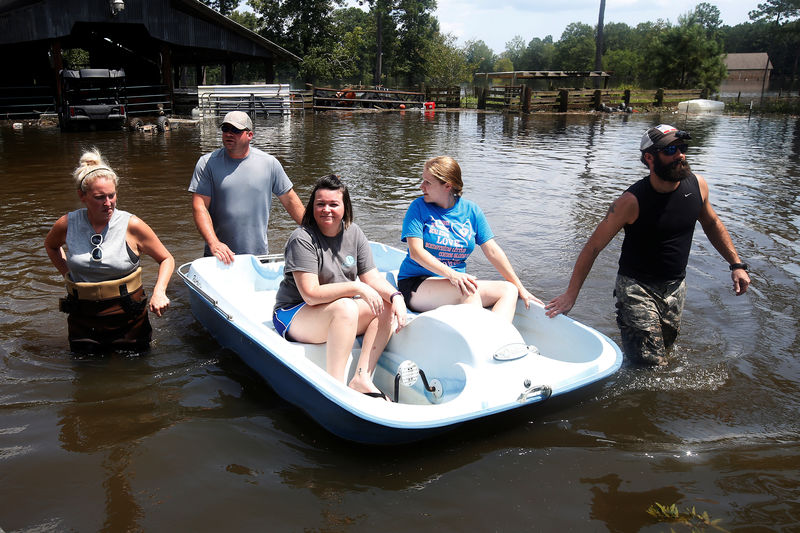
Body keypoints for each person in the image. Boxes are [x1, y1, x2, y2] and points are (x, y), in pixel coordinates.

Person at [545, 124, 751, 366]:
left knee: (664, 350)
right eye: (671, 150)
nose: (680, 155)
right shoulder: (630, 202)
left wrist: (736, 264)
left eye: (682, 148)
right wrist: (571, 294)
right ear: (650, 158)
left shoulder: (697, 186)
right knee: (651, 365)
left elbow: (712, 223)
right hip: (636, 288)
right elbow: (593, 246)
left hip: (676, 287)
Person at [272, 175, 407, 399]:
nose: (326, 209)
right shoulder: (302, 238)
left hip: (334, 309)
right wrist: (357, 288)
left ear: (345, 207)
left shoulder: (354, 233)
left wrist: (396, 297)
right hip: (294, 313)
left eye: (333, 204)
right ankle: (334, 387)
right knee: (347, 307)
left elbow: (372, 278)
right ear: (311, 207)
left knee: (384, 305)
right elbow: (311, 295)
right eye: (320, 204)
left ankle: (361, 377)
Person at [44, 149, 174, 352]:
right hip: (82, 316)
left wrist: (159, 292)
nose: (108, 203)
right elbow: (51, 246)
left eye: (112, 195)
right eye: (99, 197)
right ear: (82, 196)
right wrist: (68, 273)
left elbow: (166, 258)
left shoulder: (132, 225)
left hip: (128, 315)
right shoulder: (67, 224)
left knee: (137, 374)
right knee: (85, 375)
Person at [397, 156, 540, 322]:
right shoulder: (418, 207)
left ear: (448, 186)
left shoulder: (471, 211)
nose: (422, 187)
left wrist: (520, 286)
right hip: (417, 284)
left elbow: (492, 250)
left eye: (428, 182)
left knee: (508, 290)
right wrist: (452, 275)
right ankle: (485, 343)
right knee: (468, 293)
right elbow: (416, 253)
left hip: (456, 284)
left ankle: (496, 340)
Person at [189, 110, 305, 264]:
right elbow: (200, 207)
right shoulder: (206, 163)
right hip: (218, 257)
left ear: (250, 135)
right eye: (225, 129)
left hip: (258, 257)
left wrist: (316, 232)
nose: (229, 134)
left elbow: (290, 201)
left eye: (236, 130)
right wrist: (214, 243)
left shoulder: (269, 163)